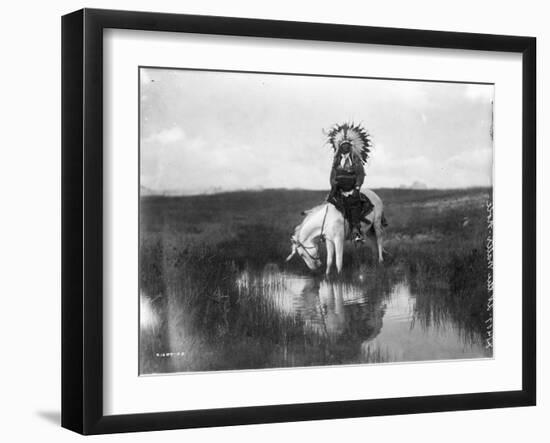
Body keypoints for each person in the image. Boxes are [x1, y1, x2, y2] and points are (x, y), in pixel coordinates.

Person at [326, 123, 372, 242]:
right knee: (330, 204)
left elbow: (360, 175)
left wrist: (357, 188)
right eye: (343, 145)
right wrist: (333, 185)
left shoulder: (355, 160)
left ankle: (356, 231)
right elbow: (333, 175)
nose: (345, 147)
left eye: (347, 145)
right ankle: (326, 231)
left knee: (354, 206)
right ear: (340, 147)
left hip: (352, 190)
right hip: (339, 190)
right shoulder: (336, 160)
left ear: (350, 147)